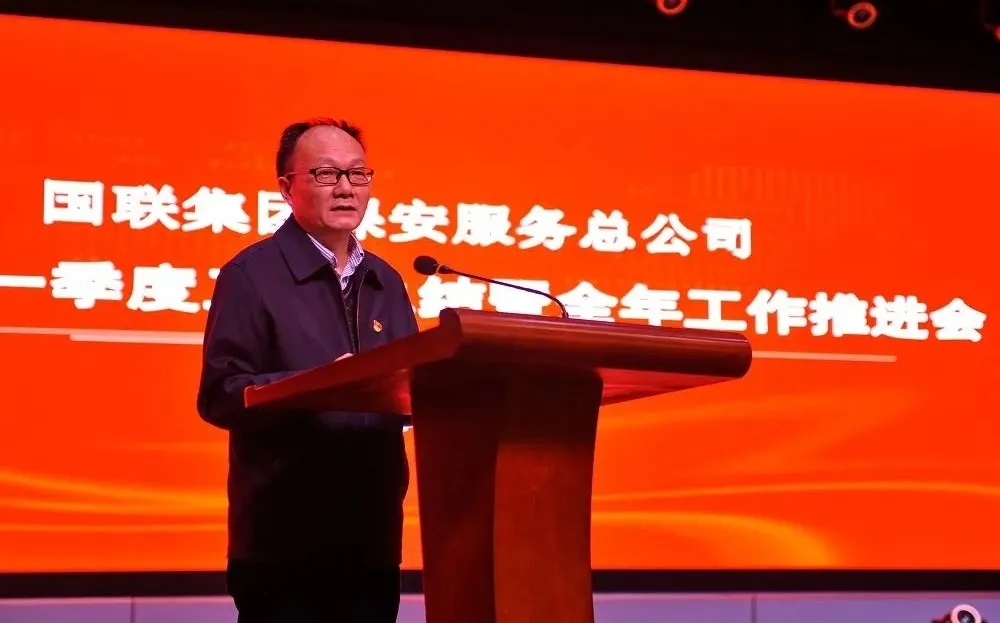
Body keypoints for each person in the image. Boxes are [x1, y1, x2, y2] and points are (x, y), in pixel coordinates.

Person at [196, 118, 418, 623]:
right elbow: (220, 393)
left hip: (372, 540)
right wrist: (318, 387)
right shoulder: (251, 275)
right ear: (286, 188)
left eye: (358, 174)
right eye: (326, 174)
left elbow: (410, 383)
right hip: (283, 545)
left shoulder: (385, 280)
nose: (346, 188)